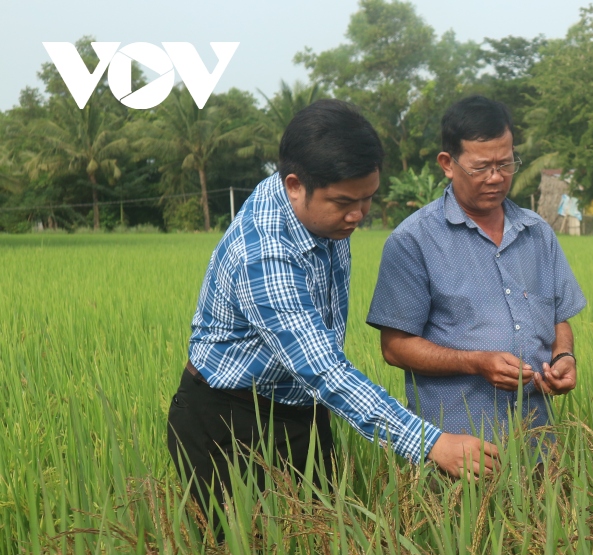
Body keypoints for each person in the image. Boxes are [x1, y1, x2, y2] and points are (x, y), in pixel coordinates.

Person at [167, 99, 497, 522]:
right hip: (230, 422)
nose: (357, 215)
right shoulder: (264, 255)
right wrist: (429, 443)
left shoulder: (319, 208)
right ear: (293, 185)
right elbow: (323, 369)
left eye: (367, 199)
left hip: (302, 409)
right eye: (344, 202)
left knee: (317, 552)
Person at [367, 95, 586, 440]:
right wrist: (475, 362)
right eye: (481, 167)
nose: (496, 178)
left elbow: (559, 317)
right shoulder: (413, 240)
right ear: (448, 163)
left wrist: (564, 357)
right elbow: (394, 348)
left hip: (537, 441)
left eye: (506, 163)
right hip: (455, 446)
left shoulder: (537, 233)